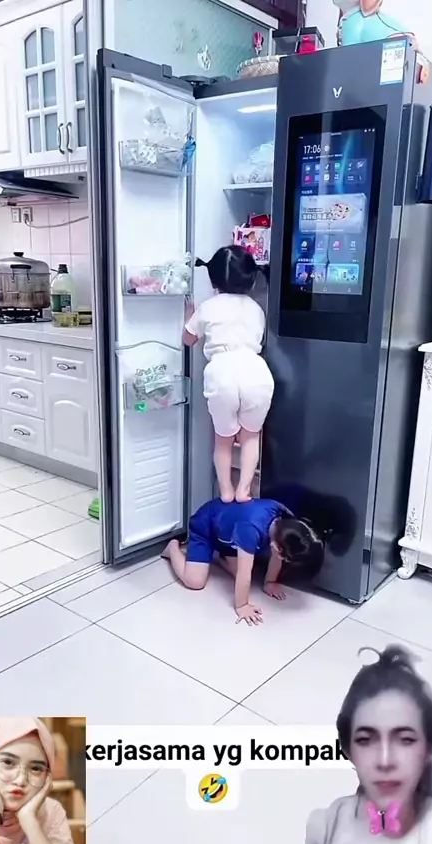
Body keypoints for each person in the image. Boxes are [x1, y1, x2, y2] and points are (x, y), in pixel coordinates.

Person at [305, 646, 432, 844]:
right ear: (348, 749)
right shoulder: (323, 827)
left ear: (428, 750)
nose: (384, 760)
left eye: (405, 740)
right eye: (365, 740)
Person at [184, 245, 274, 503]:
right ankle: (244, 489)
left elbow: (188, 340)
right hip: (255, 371)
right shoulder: (257, 309)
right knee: (251, 436)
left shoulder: (208, 307)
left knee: (223, 440)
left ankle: (226, 490)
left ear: (213, 279)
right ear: (251, 279)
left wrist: (189, 317)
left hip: (222, 372)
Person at [163, 497, 324, 625]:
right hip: (206, 527)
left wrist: (270, 582)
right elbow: (244, 574)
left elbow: (277, 556)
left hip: (230, 535)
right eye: (286, 558)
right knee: (195, 582)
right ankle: (173, 548)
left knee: (245, 572)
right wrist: (242, 605)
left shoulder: (287, 523)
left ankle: (221, 555)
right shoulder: (250, 529)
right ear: (277, 547)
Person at [0, 717, 77, 844]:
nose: (21, 780)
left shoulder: (50, 811)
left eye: (36, 768)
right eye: (8, 762)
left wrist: (29, 819)